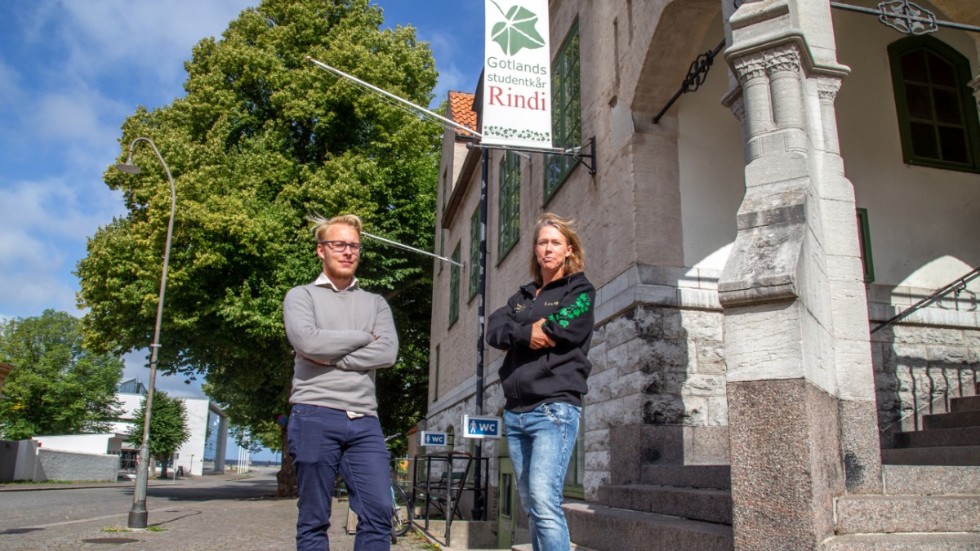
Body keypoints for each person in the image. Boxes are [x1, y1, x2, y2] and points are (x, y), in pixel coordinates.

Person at [283, 214, 398, 551]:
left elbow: (388, 352)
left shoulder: (375, 303)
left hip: (364, 421)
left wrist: (334, 358)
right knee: (314, 518)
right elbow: (308, 342)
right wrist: (364, 337)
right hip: (314, 414)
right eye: (339, 245)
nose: (348, 252)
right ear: (321, 250)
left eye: (354, 246)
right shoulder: (300, 296)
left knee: (379, 513)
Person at [486, 212, 595, 551]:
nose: (548, 249)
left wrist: (526, 331)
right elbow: (493, 330)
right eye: (542, 242)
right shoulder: (521, 297)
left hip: (554, 408)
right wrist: (524, 333)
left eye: (555, 243)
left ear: (569, 250)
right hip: (516, 412)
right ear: (535, 250)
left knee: (544, 501)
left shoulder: (579, 289)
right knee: (531, 505)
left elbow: (562, 327)